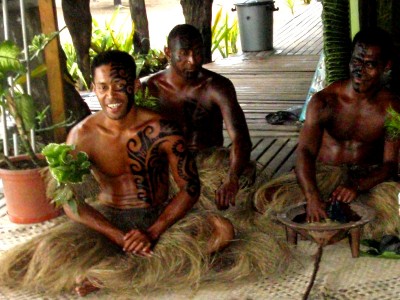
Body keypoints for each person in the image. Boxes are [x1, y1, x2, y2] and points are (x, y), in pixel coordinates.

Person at [0, 50, 290, 297]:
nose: (111, 96)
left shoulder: (163, 129)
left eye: (119, 85)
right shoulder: (81, 137)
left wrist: (152, 232)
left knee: (222, 230)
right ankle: (121, 265)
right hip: (111, 218)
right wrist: (117, 236)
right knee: (51, 251)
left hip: (160, 215)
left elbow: (190, 189)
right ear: (93, 87)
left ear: (135, 86)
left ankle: (113, 273)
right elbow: (70, 202)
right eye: (103, 87)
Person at [255, 27, 400, 239]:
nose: (360, 72)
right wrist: (312, 196)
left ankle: (337, 224)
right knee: (264, 199)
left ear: (386, 66)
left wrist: (357, 185)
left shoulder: (393, 109)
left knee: (395, 206)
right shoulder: (324, 101)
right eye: (356, 62)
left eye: (370, 65)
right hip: (324, 174)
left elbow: (390, 165)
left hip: (366, 179)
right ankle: (338, 222)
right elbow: (304, 152)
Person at [143, 24, 253, 211]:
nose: (192, 61)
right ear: (168, 52)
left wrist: (232, 177)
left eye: (197, 52)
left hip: (211, 162)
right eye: (184, 54)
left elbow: (241, 139)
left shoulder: (217, 87)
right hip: (170, 163)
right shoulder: (151, 88)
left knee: (243, 187)